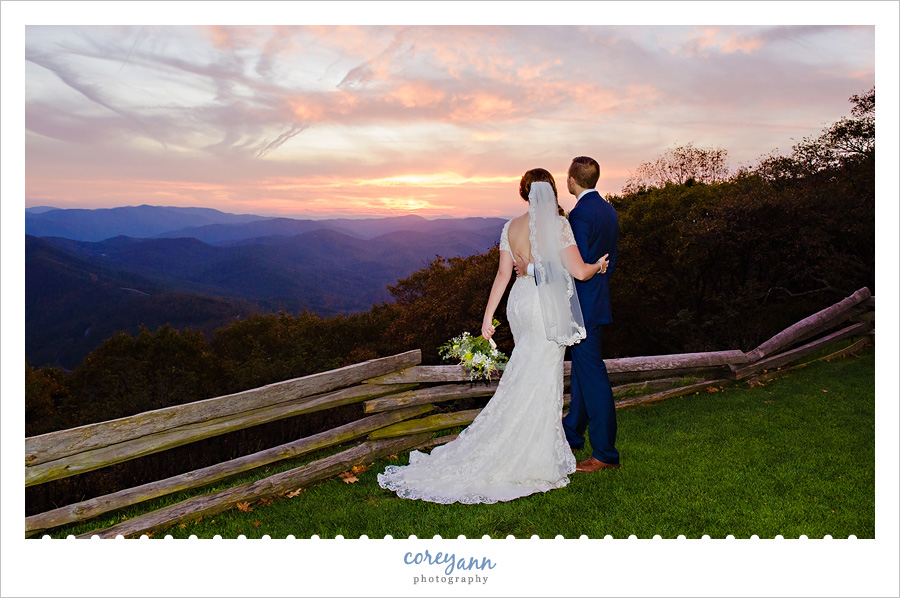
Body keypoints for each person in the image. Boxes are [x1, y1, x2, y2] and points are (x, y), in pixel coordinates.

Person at [377, 169, 608, 504]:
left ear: (524, 192)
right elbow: (578, 271)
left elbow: (502, 275)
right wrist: (597, 266)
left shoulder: (509, 227)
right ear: (552, 191)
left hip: (520, 304)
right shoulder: (558, 225)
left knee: (524, 370)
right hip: (545, 310)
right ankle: (532, 453)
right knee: (540, 376)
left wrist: (487, 319)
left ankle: (517, 439)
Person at [515, 157, 620, 473]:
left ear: (572, 180)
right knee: (581, 373)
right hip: (598, 302)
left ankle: (604, 454)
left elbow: (570, 268)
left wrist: (531, 269)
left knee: (593, 378)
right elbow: (599, 262)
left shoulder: (579, 216)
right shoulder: (608, 210)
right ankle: (572, 432)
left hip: (582, 308)